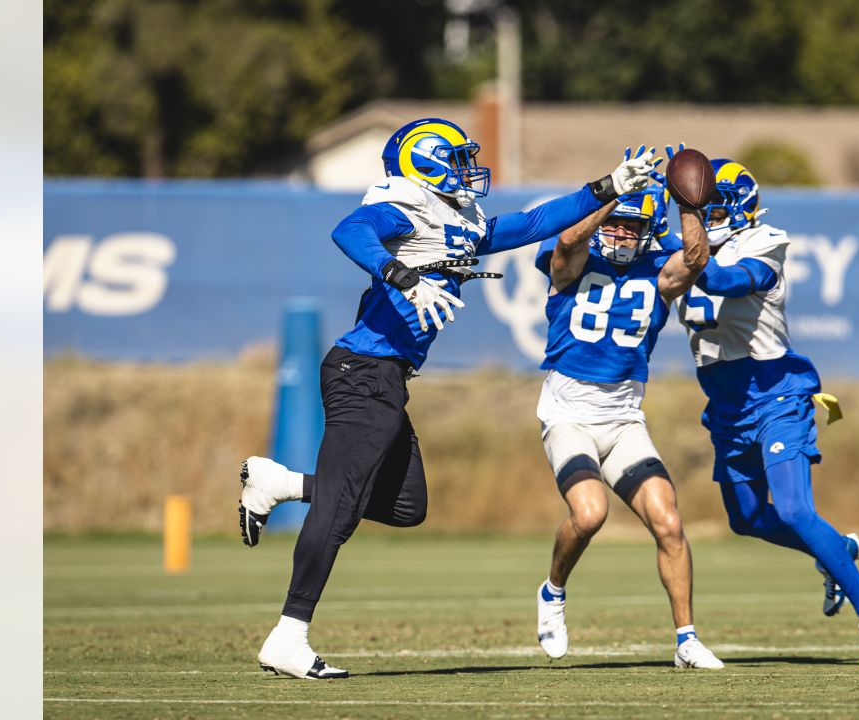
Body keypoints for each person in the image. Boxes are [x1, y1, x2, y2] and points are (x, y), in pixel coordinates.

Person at [237, 118, 658, 679]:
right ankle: (288, 636)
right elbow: (350, 230)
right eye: (456, 158)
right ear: (424, 162)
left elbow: (535, 222)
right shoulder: (402, 207)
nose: (466, 170)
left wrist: (609, 187)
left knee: (408, 506)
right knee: (339, 507)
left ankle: (282, 484)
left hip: (387, 377)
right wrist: (400, 273)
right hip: (362, 371)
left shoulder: (456, 221)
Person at [672, 157, 859, 666]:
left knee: (796, 510)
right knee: (748, 520)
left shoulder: (764, 241)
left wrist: (684, 243)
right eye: (695, 208)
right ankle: (836, 549)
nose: (698, 217)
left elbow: (726, 282)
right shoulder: (685, 249)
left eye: (705, 208)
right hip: (726, 402)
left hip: (776, 392)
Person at [530, 174, 719, 669]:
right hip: (569, 413)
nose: (615, 235)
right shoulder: (569, 265)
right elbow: (570, 238)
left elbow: (696, 258)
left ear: (649, 229)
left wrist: (686, 203)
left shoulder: (658, 271)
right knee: (590, 514)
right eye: (610, 225)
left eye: (628, 227)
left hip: (623, 417)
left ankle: (686, 639)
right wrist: (612, 193)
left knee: (669, 522)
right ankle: (553, 591)